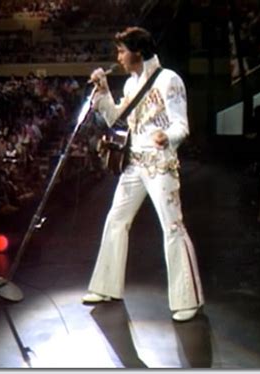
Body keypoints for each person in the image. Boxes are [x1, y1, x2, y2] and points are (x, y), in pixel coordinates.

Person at [82, 27, 204, 322]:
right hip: (134, 164)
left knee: (173, 228)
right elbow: (117, 120)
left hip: (161, 164)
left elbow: (181, 125)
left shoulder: (169, 80)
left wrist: (168, 137)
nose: (119, 56)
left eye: (122, 50)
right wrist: (103, 92)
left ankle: (189, 299)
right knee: (116, 219)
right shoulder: (130, 85)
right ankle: (106, 286)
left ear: (138, 51)